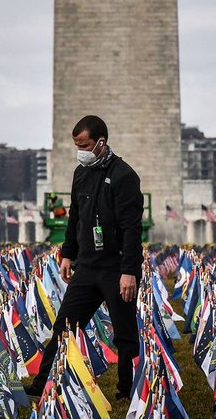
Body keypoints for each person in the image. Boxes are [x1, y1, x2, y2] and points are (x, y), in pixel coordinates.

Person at [26, 115, 144, 401]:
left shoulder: (124, 176)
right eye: (76, 145)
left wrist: (129, 271)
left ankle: (128, 391)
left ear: (101, 142)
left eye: (85, 144)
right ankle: (42, 384)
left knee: (125, 334)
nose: (80, 150)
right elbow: (75, 218)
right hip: (88, 267)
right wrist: (68, 254)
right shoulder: (81, 173)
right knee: (64, 326)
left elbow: (131, 229)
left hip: (117, 269)